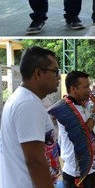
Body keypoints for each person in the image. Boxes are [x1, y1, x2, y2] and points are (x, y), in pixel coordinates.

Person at [0, 46, 59, 188]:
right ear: (38, 73)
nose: (59, 77)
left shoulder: (24, 99)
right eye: (55, 71)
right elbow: (35, 162)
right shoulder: (28, 104)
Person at [48, 71, 95, 188]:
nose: (89, 90)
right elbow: (81, 134)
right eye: (86, 87)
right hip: (76, 171)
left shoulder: (82, 106)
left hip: (90, 167)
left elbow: (86, 131)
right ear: (74, 89)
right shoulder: (65, 108)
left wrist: (94, 138)